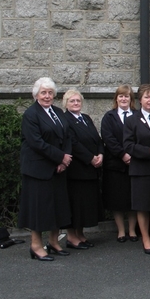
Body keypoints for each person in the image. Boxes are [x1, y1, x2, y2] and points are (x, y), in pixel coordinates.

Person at [18, 77, 72, 261]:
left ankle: (54, 242)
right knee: (39, 209)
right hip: (38, 170)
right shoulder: (31, 114)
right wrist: (60, 157)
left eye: (50, 93)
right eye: (43, 92)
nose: (47, 96)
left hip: (57, 168)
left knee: (57, 207)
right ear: (36, 95)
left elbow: (67, 137)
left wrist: (64, 160)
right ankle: (36, 245)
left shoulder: (57, 112)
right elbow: (36, 143)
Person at [123, 84, 150, 255]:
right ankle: (146, 239)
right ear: (140, 100)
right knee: (143, 206)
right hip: (141, 170)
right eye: (147, 97)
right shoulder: (132, 120)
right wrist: (149, 151)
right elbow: (128, 145)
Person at [62, 90, 104, 250]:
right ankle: (71, 237)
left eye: (78, 101)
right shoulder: (65, 120)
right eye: (72, 101)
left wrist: (100, 154)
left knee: (84, 206)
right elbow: (73, 143)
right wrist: (90, 158)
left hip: (90, 171)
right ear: (66, 103)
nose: (75, 103)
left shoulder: (85, 118)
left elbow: (98, 139)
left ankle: (80, 234)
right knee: (75, 205)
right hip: (76, 171)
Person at [100, 84, 138, 243]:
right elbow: (108, 139)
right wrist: (122, 154)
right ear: (116, 99)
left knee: (132, 199)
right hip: (115, 165)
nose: (124, 99)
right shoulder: (109, 117)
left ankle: (132, 230)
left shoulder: (137, 115)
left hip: (135, 164)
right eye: (121, 96)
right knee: (117, 199)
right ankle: (121, 230)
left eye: (127, 96)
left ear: (131, 99)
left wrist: (133, 155)